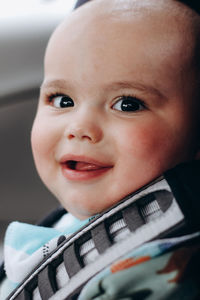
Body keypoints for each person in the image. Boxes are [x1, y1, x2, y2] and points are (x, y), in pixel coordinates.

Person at [1, 0, 200, 298]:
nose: (79, 127)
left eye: (127, 104)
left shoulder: (160, 270)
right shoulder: (84, 222)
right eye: (62, 100)